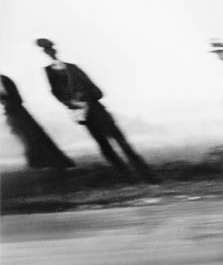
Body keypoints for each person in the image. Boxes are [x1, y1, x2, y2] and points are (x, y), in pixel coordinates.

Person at [35, 38, 158, 183]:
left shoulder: (73, 68)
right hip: (85, 116)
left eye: (51, 49)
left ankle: (148, 176)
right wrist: (71, 103)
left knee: (122, 143)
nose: (50, 52)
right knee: (105, 147)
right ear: (44, 52)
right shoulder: (49, 71)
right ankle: (128, 177)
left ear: (55, 50)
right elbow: (56, 93)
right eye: (46, 50)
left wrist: (84, 97)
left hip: (99, 111)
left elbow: (98, 91)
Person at [0, 73, 75, 169]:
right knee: (27, 136)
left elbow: (14, 97)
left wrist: (6, 101)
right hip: (12, 111)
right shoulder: (4, 80)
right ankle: (38, 161)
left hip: (17, 111)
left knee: (31, 135)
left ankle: (43, 161)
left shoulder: (4, 80)